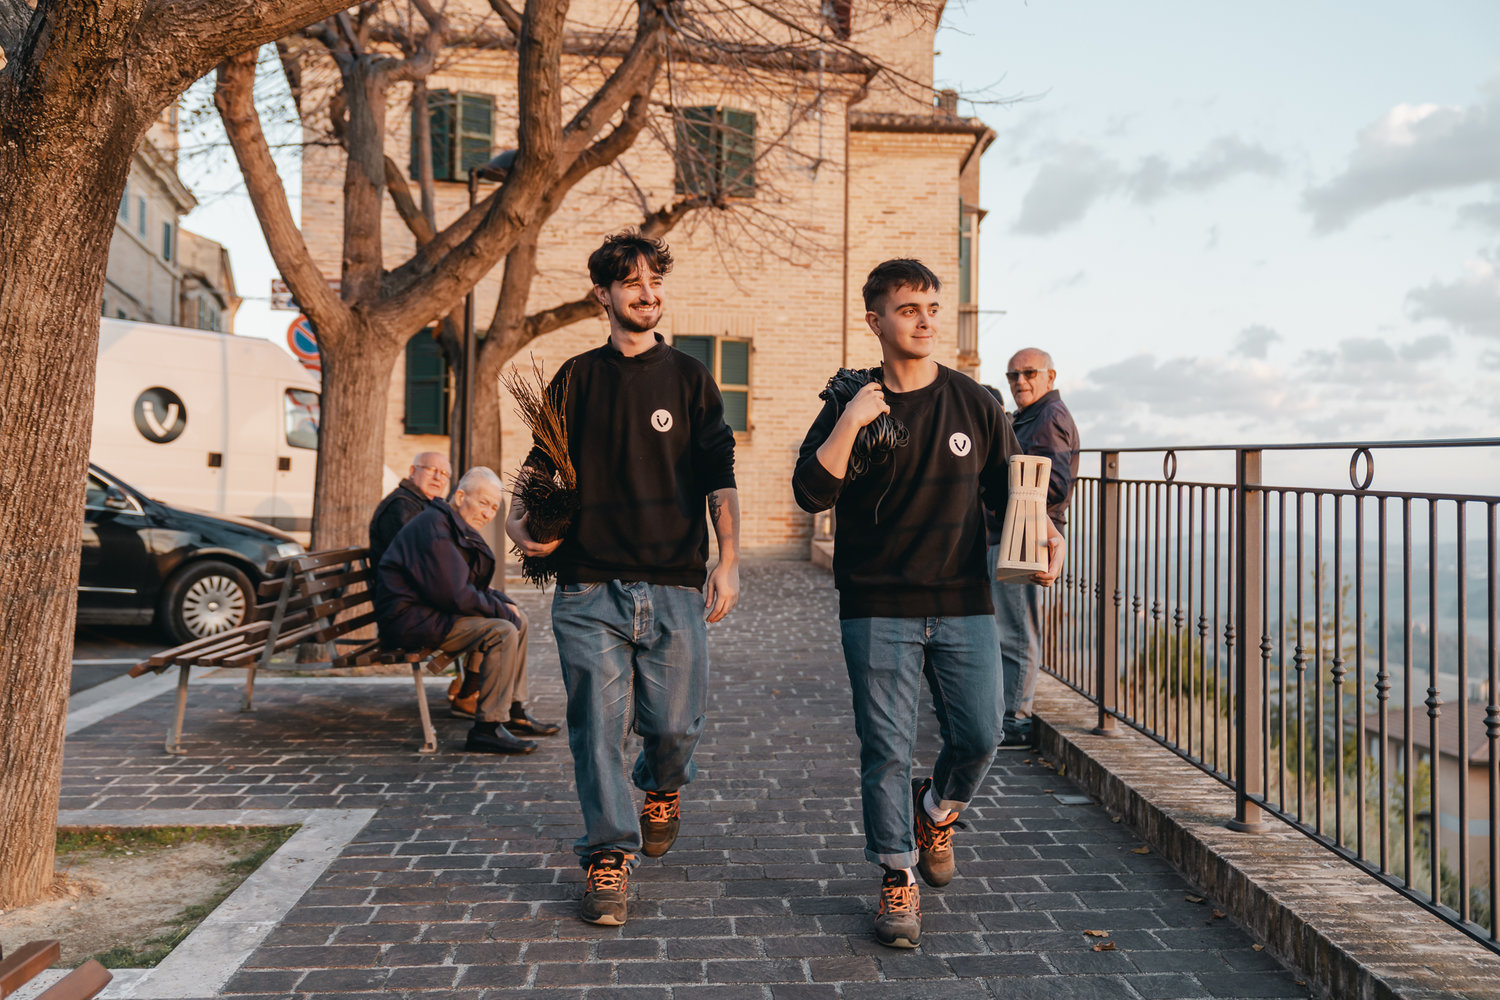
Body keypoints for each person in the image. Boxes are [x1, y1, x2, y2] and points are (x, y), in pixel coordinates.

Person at [793, 259, 1064, 950]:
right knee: (884, 746)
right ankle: (896, 873)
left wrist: (1045, 534)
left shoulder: (974, 401)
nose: (924, 320)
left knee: (980, 734)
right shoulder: (852, 400)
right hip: (876, 602)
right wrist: (851, 422)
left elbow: (1013, 491)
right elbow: (811, 492)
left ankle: (936, 809)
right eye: (908, 308)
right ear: (876, 320)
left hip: (963, 599)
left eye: (932, 307)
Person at [506, 231, 741, 928]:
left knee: (675, 726)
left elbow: (719, 476)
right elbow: (538, 471)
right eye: (632, 282)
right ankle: (608, 853)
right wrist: (518, 526)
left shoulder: (691, 378)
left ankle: (661, 785)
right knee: (596, 731)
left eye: (654, 281)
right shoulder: (575, 378)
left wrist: (728, 558)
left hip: (673, 583)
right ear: (602, 295)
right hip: (587, 586)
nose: (647, 293)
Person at [376, 467, 557, 755]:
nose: (488, 514)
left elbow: (467, 585)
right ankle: (487, 728)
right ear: (461, 497)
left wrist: (503, 603)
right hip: (410, 621)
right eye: (483, 503)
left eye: (494, 508)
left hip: (431, 613)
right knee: (503, 630)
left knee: (517, 619)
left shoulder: (449, 524)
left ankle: (514, 709)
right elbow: (455, 594)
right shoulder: (435, 529)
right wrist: (502, 609)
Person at [988, 348, 1080, 748]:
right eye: (1013, 376)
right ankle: (1007, 713)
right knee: (1006, 628)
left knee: (1017, 630)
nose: (1019, 381)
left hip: (1028, 536)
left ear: (1050, 376)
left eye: (1029, 373)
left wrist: (1003, 488)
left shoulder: (1049, 418)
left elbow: (1053, 485)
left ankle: (1017, 718)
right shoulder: (1030, 417)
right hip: (1011, 534)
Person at [368, 451, 451, 566]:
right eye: (431, 469)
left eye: (444, 473)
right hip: (401, 576)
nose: (437, 477)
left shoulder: (430, 505)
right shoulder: (401, 505)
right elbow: (418, 554)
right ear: (412, 471)